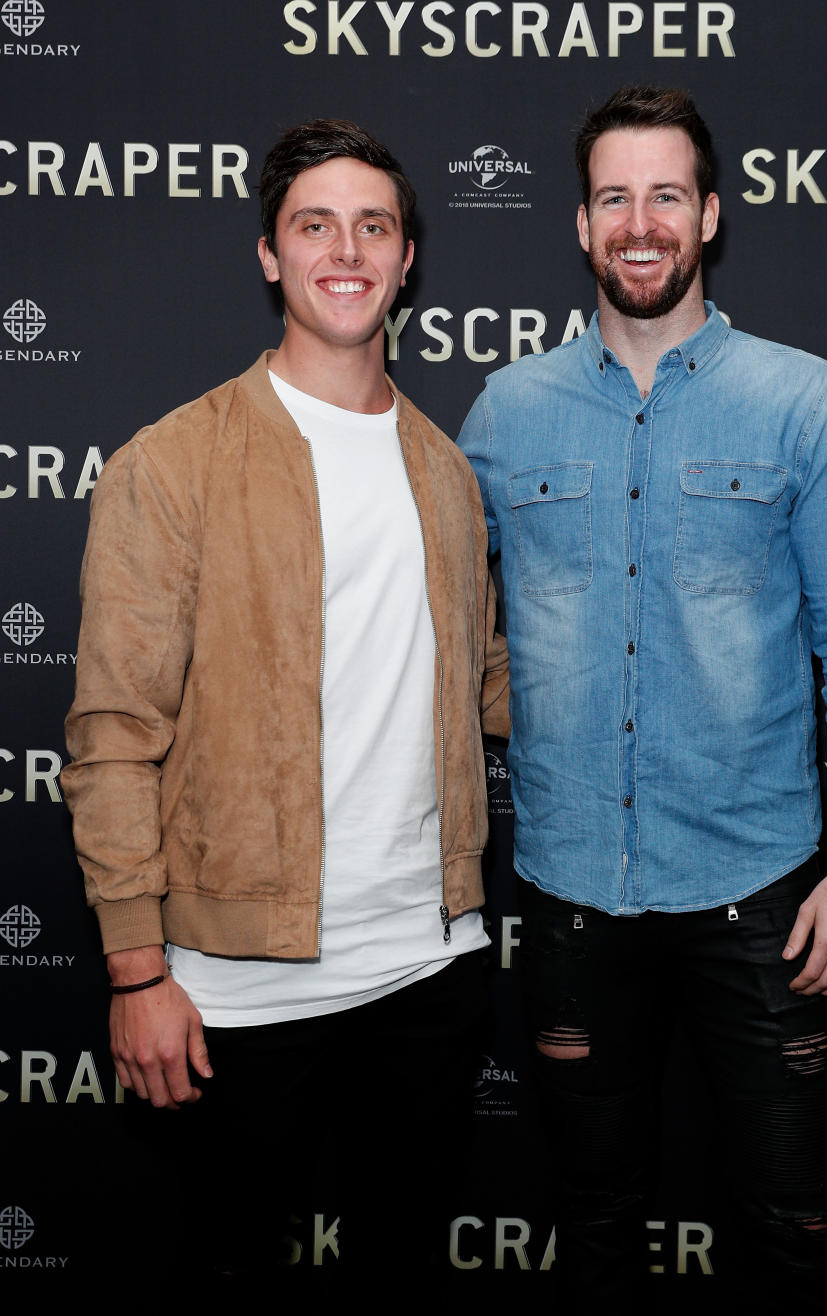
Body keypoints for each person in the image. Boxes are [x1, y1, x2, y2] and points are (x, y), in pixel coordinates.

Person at [457, 85, 827, 1310]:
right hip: (569, 896)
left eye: (667, 195)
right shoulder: (505, 412)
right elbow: (450, 631)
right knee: (593, 1232)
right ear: (582, 223)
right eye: (615, 197)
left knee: (797, 1228)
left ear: (708, 215)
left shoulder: (801, 397)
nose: (640, 222)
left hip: (765, 896)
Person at [62, 118, 509, 1283]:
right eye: (316, 224)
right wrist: (137, 970)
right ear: (270, 252)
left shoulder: (446, 470)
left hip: (429, 965)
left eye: (375, 225)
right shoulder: (170, 464)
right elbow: (114, 739)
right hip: (237, 990)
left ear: (409, 258)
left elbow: (487, 688)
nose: (346, 249)